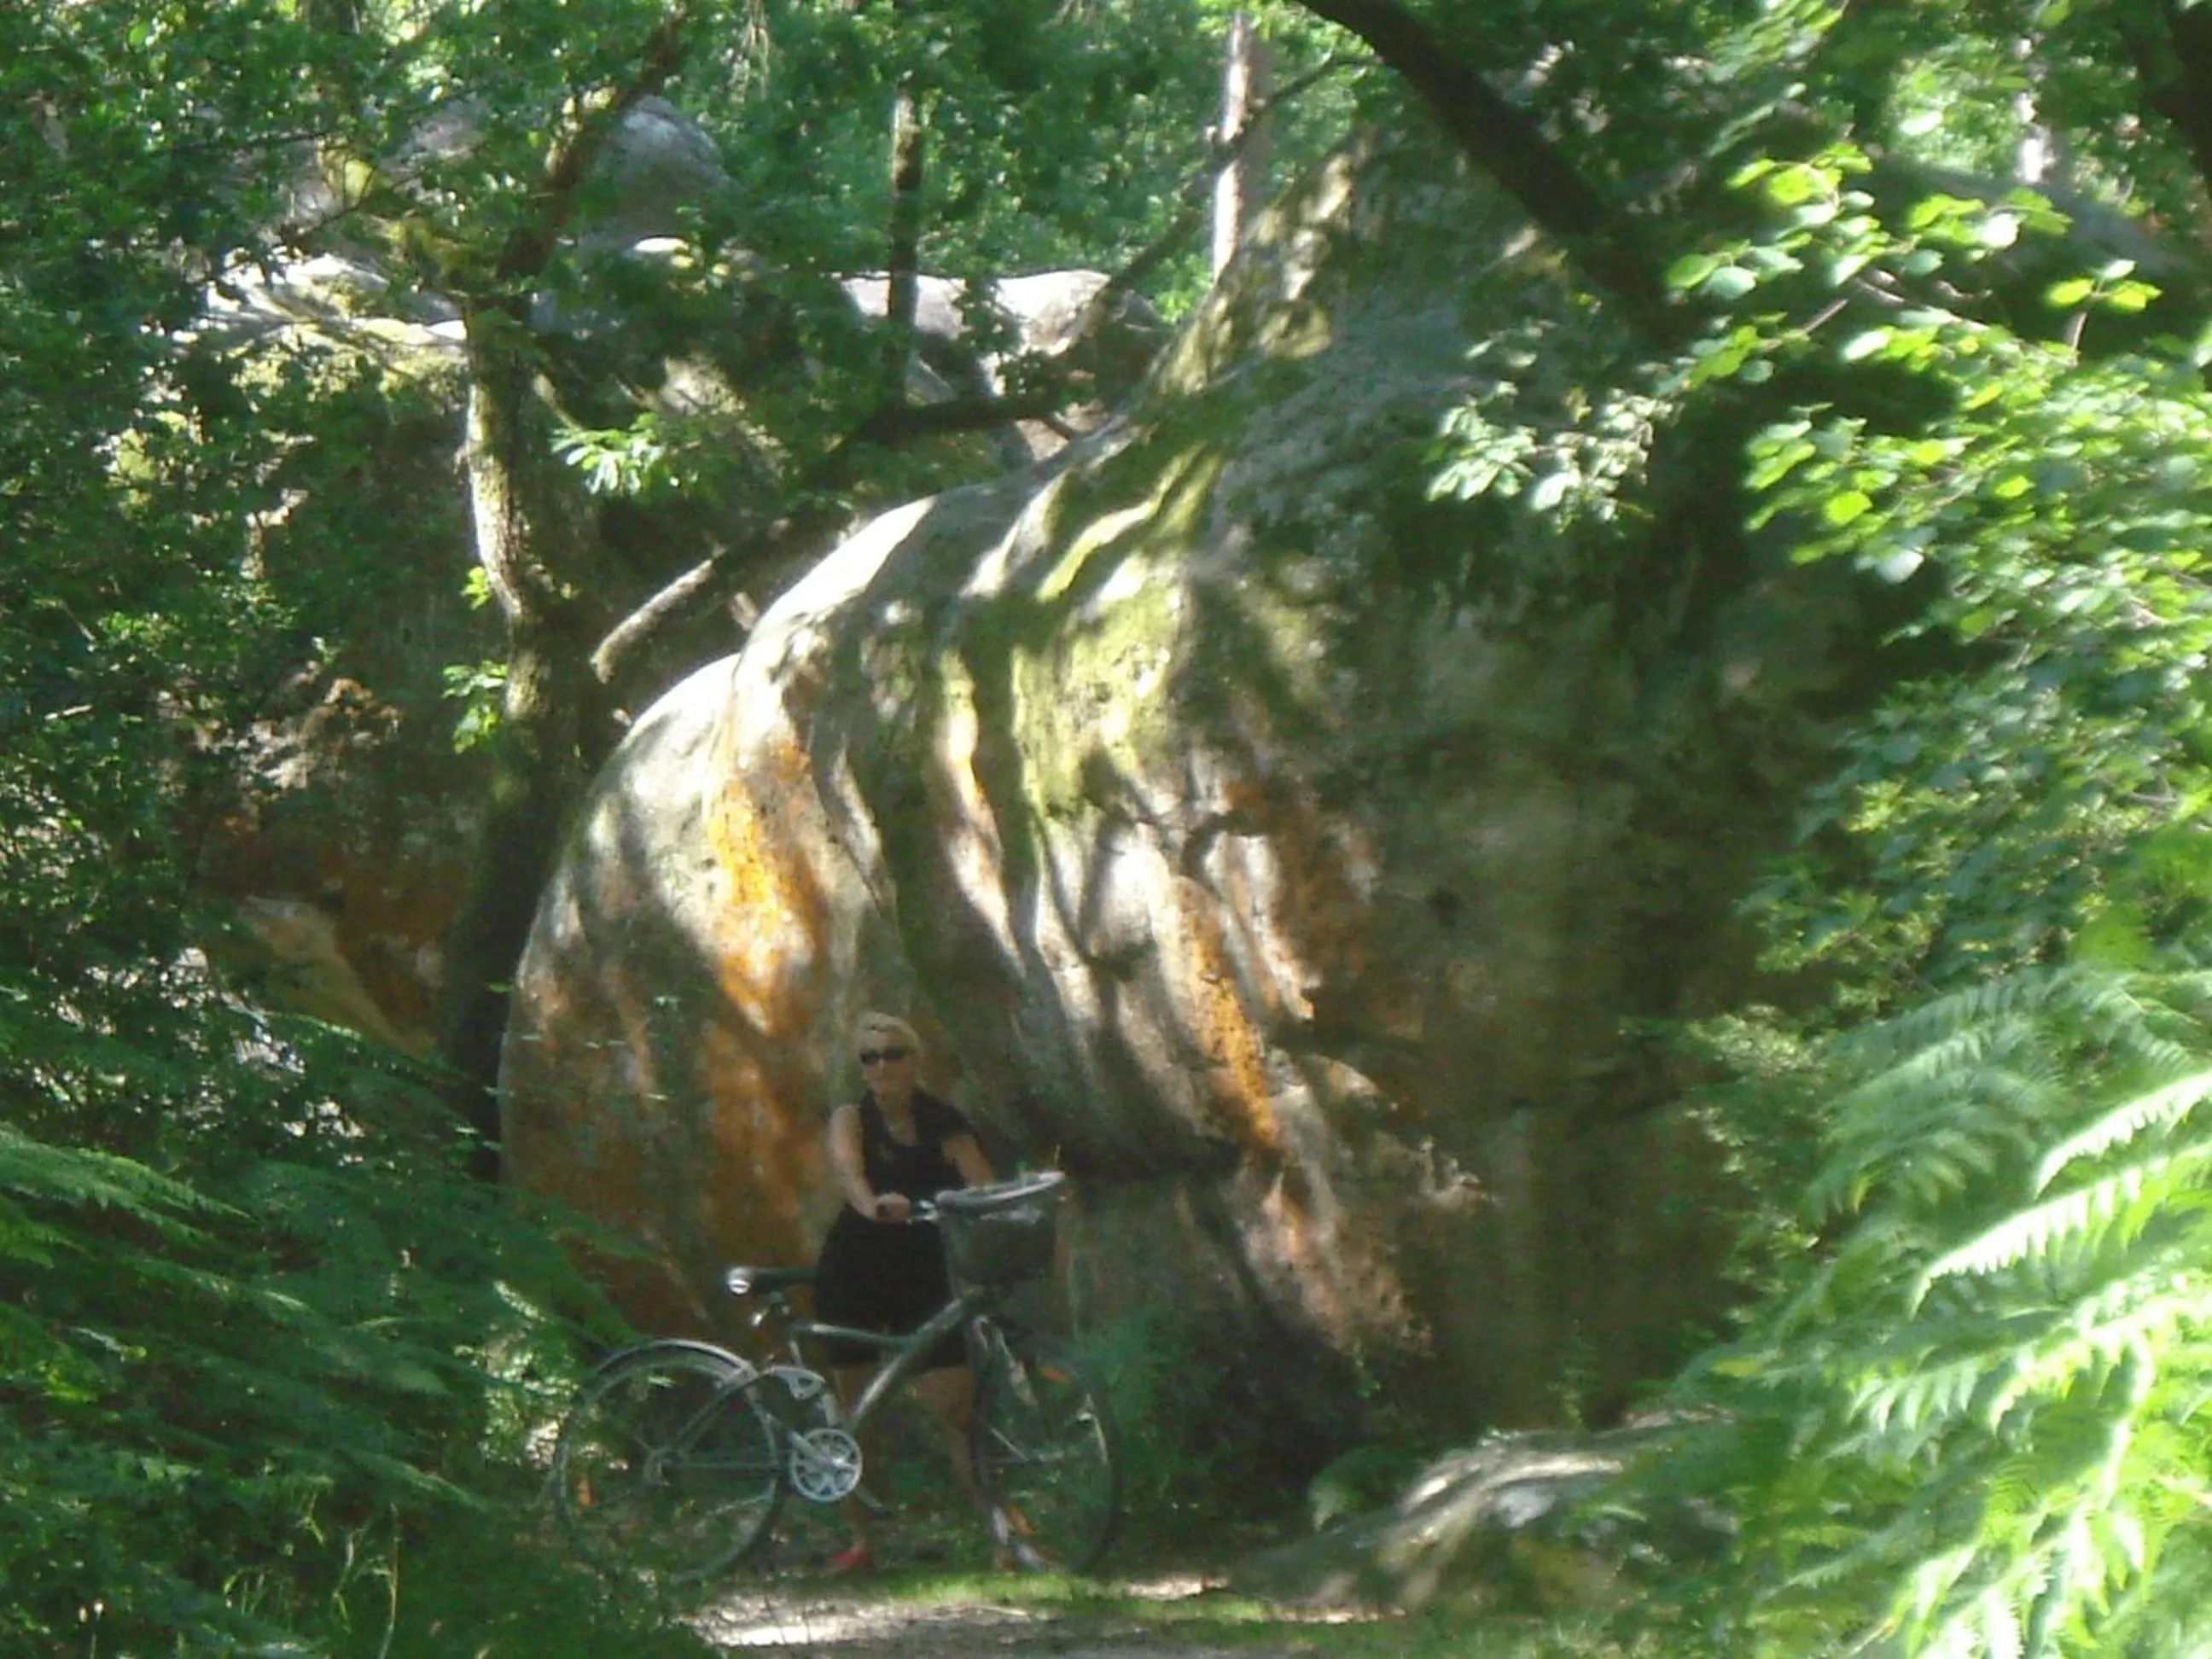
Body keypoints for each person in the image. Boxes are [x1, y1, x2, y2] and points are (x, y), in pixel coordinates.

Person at [812, 1011, 994, 1574]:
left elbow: (981, 1181)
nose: (883, 1066)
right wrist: (874, 1207)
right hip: (858, 1268)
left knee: (957, 1408)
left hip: (925, 1271)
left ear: (915, 1060)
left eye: (893, 1053)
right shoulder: (852, 1119)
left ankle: (1002, 1536)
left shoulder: (944, 1121)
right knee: (858, 1411)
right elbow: (848, 1172)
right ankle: (862, 1542)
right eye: (870, 1057)